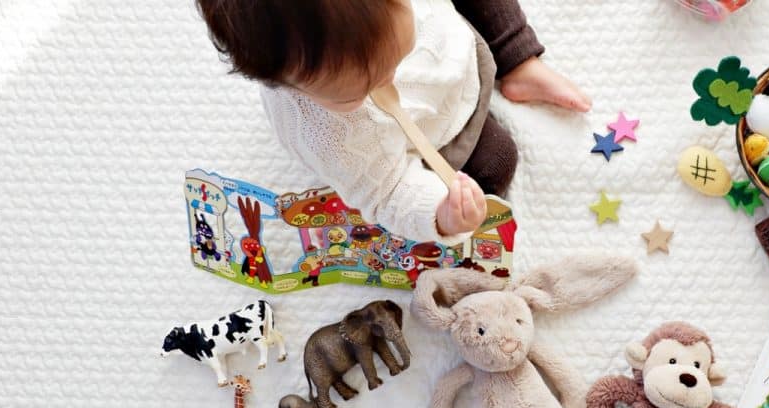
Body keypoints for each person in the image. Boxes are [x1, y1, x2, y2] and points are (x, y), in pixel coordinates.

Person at [195, 0, 589, 244]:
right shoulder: (328, 135)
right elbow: (387, 192)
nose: (388, 83)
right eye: (355, 93)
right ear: (285, 85)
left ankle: (518, 60)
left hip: (459, 43)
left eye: (398, 55)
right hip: (436, 134)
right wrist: (441, 215)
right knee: (497, 162)